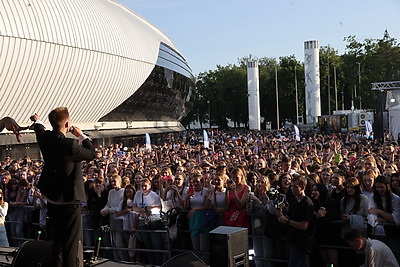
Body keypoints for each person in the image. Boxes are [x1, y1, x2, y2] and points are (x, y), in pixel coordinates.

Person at [30, 108, 96, 267]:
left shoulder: (44, 138)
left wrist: (36, 120)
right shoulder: (70, 144)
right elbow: (92, 154)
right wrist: (81, 135)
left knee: (57, 243)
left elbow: (39, 128)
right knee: (71, 245)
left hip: (53, 200)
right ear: (67, 123)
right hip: (69, 202)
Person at [276, 175, 314, 267]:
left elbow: (304, 225)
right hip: (292, 238)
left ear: (303, 187)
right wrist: (282, 213)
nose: (292, 189)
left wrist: (287, 221)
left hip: (301, 241)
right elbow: (290, 215)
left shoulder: (307, 203)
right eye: (291, 186)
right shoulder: (293, 200)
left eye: (295, 187)